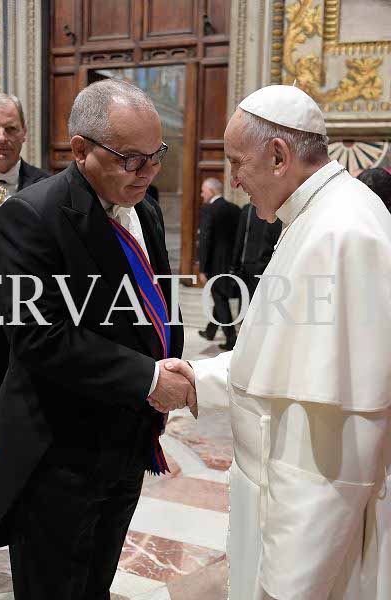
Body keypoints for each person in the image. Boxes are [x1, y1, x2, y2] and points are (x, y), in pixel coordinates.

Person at [151, 85, 391, 599]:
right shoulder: (318, 215)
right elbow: (276, 362)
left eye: (238, 162)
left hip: (309, 549)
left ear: (279, 156)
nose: (234, 180)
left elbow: (332, 455)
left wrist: (286, 587)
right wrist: (196, 379)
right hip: (280, 515)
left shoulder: (340, 233)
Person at [0, 79, 196, 600]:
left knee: (95, 584)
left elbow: (158, 300)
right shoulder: (31, 214)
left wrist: (172, 362)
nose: (149, 172)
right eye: (132, 159)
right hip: (59, 454)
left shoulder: (145, 207)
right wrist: (149, 377)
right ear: (81, 149)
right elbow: (39, 336)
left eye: (157, 155)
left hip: (126, 438)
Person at [0, 92, 50, 427]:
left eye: (10, 129)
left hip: (31, 317)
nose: (2, 138)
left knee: (23, 413)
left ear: (24, 133)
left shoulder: (48, 186)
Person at [198, 177, 241, 350]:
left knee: (219, 297)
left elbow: (205, 239)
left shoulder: (210, 209)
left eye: (203, 191)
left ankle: (231, 338)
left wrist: (202, 268)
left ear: (211, 191)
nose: (202, 195)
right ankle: (210, 331)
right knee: (220, 295)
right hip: (231, 261)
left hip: (215, 263)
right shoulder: (235, 209)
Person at [231, 203, 281, 298]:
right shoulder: (274, 208)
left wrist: (234, 264)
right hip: (266, 262)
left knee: (246, 300)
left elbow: (240, 238)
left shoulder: (248, 209)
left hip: (249, 262)